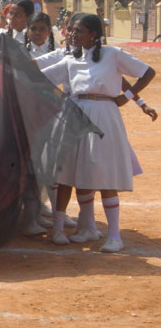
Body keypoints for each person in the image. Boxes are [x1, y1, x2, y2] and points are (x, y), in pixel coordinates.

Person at [41, 14, 156, 252]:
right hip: (75, 113)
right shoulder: (71, 59)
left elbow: (147, 72)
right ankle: (79, 229)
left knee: (104, 172)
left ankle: (114, 236)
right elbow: (40, 76)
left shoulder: (113, 54)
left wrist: (127, 97)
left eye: (79, 31)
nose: (73, 34)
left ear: (93, 34)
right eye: (72, 30)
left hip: (104, 114)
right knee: (72, 170)